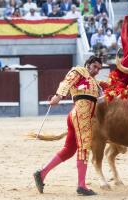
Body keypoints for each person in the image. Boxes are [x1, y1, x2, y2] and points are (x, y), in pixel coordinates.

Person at [33, 56, 107, 196]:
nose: (96, 70)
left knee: (69, 149)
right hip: (81, 114)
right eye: (94, 67)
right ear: (88, 64)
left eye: (99, 68)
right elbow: (66, 83)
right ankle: (81, 185)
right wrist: (58, 96)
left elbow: (101, 100)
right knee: (84, 146)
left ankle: (41, 173)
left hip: (77, 116)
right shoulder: (79, 71)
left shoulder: (96, 84)